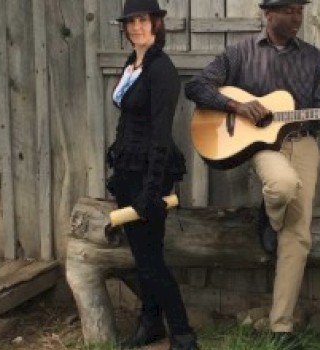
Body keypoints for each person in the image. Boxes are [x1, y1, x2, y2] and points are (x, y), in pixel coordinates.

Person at [185, 0, 320, 344]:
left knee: (298, 238)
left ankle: (281, 328)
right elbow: (195, 87)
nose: (297, 16)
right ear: (268, 14)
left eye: (300, 10)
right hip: (263, 147)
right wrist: (238, 105)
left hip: (302, 143)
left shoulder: (314, 59)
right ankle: (271, 213)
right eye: (289, 10)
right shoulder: (240, 53)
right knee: (283, 185)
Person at [106, 0, 198, 349]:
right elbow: (126, 119)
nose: (135, 27)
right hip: (128, 170)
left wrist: (149, 191)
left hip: (150, 173)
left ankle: (184, 334)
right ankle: (151, 323)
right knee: (143, 258)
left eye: (142, 20)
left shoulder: (162, 70)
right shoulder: (132, 63)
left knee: (151, 262)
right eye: (130, 21)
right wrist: (116, 163)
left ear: (156, 23)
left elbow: (160, 136)